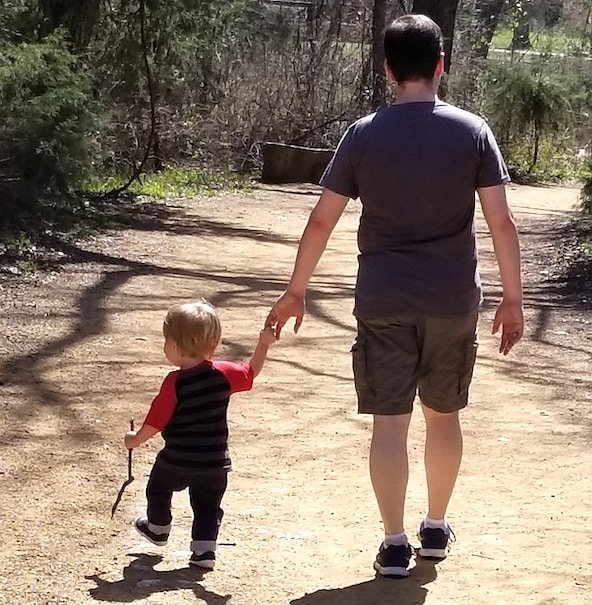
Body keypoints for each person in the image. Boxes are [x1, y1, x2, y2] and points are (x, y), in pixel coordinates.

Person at [265, 14, 523, 578]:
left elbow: (320, 222)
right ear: (440, 65)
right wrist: (513, 298)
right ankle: (435, 526)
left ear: (387, 71)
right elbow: (501, 223)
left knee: (390, 422)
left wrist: (295, 291)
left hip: (383, 300)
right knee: (444, 415)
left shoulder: (363, 135)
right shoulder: (473, 131)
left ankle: (393, 543)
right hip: (453, 299)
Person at [124, 300, 276, 570]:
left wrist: (135, 438)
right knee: (207, 505)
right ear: (214, 343)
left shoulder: (174, 382)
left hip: (177, 459)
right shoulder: (225, 373)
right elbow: (251, 374)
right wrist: (263, 343)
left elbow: (156, 421)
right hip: (215, 462)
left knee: (158, 488)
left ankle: (158, 528)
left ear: (173, 346)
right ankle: (204, 551)